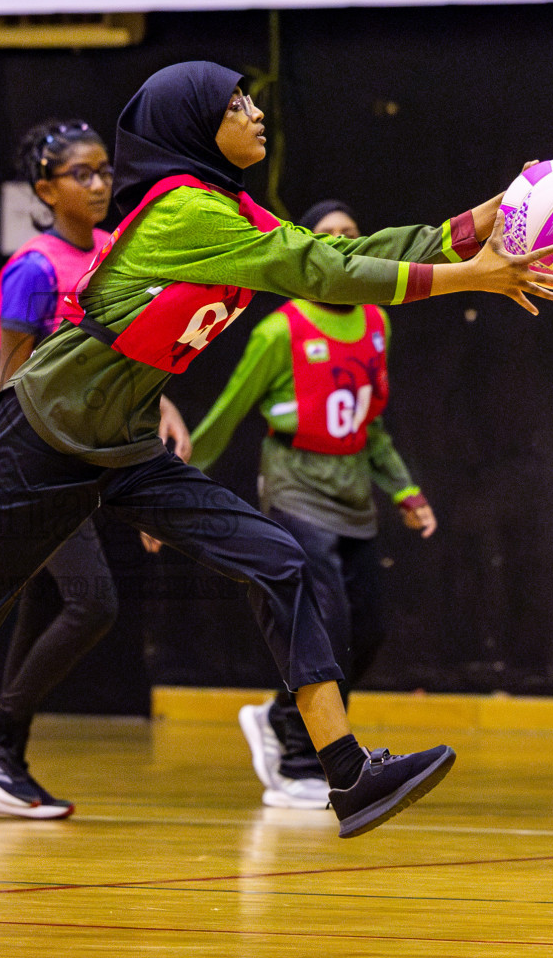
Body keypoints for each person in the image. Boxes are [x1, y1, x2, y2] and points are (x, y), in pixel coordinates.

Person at [0, 61, 553, 938]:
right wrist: (471, 277)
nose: (255, 113)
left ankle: (346, 772)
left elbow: (343, 255)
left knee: (279, 560)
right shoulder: (188, 212)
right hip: (43, 442)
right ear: (192, 124)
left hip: (126, 446)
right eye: (236, 103)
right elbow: (323, 276)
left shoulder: (231, 209)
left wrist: (484, 219)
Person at [0, 119, 191, 820]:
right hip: (36, 462)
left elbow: (122, 355)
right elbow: (10, 378)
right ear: (46, 188)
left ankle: (2, 751)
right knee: (92, 602)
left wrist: (164, 407)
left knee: (45, 603)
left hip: (93, 457)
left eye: (104, 170)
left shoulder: (114, 251)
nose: (99, 183)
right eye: (81, 173)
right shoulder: (33, 270)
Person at [184, 198, 438, 809]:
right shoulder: (281, 330)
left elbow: (372, 424)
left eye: (353, 234)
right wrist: (180, 483)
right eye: (328, 236)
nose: (342, 244)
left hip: (353, 492)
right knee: (331, 626)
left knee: (367, 630)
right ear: (308, 250)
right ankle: (303, 760)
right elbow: (226, 414)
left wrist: (404, 489)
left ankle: (279, 715)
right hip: (296, 487)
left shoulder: (376, 323)